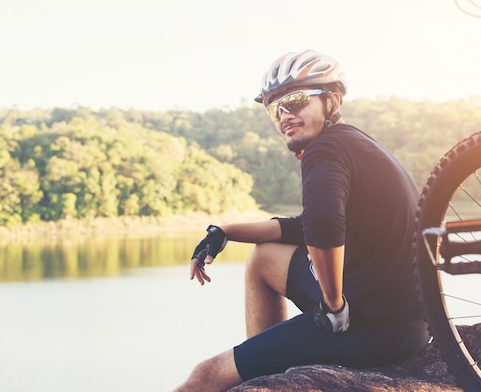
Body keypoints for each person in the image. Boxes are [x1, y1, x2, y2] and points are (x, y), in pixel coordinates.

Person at [175, 50, 429, 391]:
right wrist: (226, 232)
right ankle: (267, 377)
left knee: (206, 376)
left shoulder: (323, 151)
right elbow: (306, 225)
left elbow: (323, 224)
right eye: (274, 108)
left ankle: (264, 372)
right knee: (265, 257)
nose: (284, 115)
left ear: (332, 101)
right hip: (402, 320)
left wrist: (333, 305)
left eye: (295, 101)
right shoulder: (350, 143)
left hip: (373, 325)